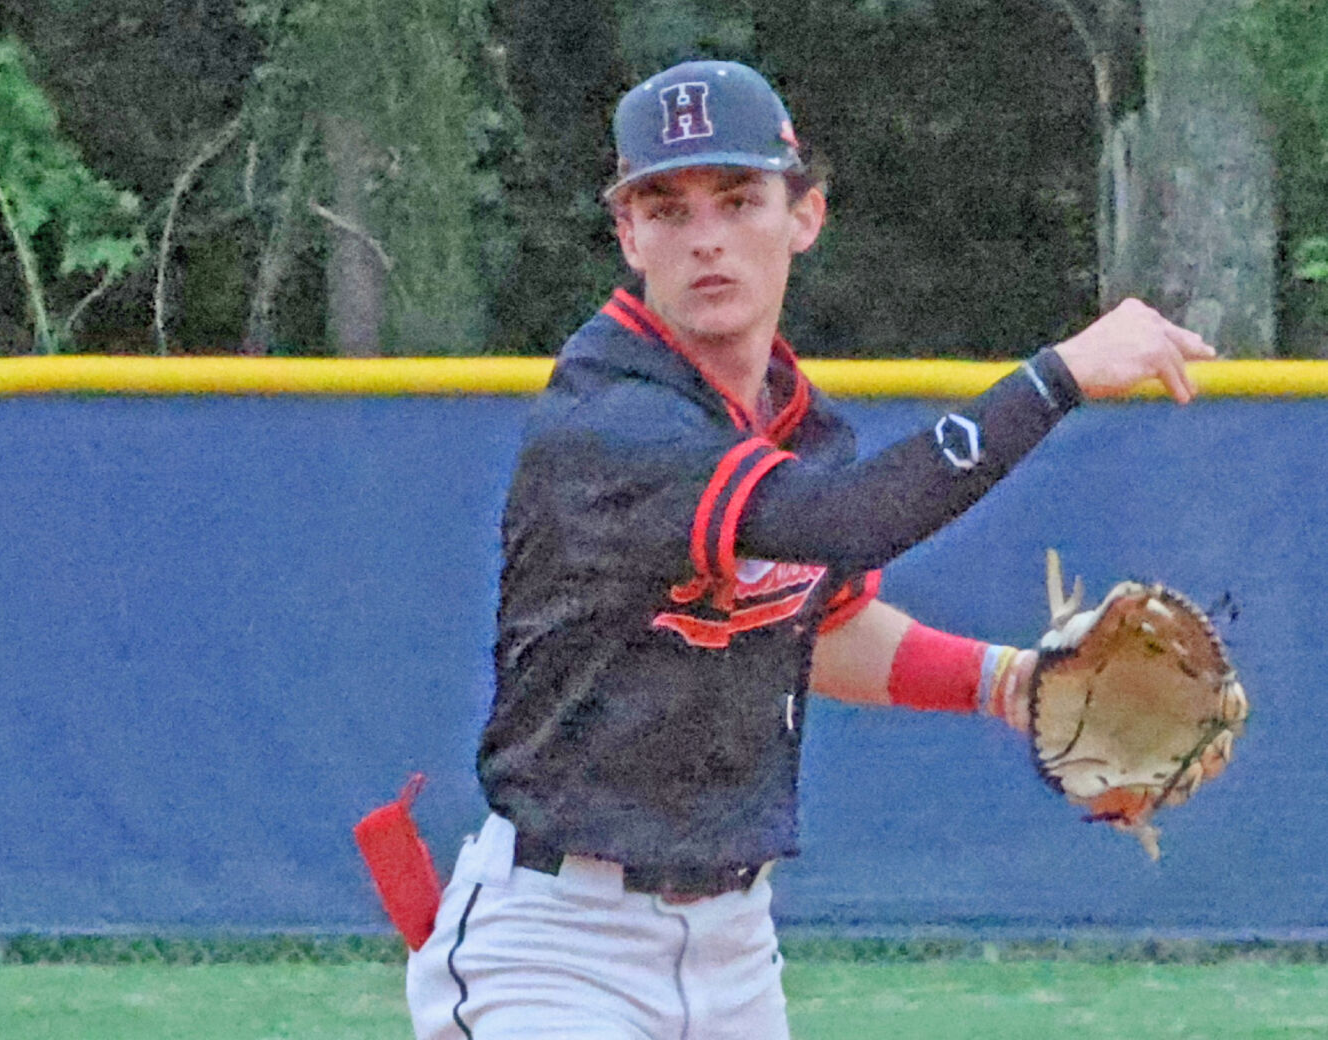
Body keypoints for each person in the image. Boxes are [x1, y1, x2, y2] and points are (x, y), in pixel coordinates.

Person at [405, 59, 1216, 1039]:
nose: (705, 238)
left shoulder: (794, 428)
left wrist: (1005, 680)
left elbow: (817, 624)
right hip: (555, 946)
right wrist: (1053, 379)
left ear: (804, 216)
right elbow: (847, 523)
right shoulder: (613, 420)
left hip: (734, 948)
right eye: (665, 209)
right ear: (626, 235)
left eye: (739, 199)